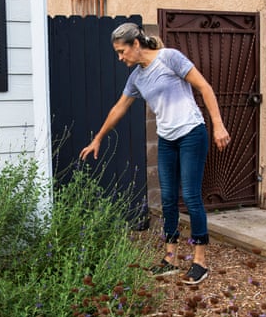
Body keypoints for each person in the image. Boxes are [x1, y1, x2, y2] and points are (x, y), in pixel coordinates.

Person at [79, 22, 231, 284]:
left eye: (121, 51)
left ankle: (200, 262)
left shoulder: (169, 58)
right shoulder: (136, 77)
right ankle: (170, 259)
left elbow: (204, 87)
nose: (120, 57)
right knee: (168, 199)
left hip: (191, 133)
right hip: (167, 139)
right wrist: (98, 138)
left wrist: (218, 125)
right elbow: (118, 108)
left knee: (192, 198)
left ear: (135, 44)